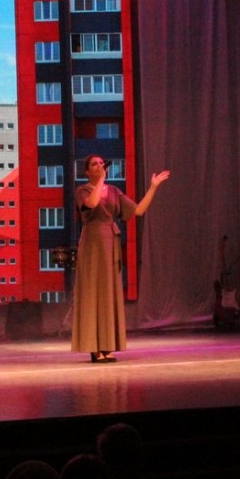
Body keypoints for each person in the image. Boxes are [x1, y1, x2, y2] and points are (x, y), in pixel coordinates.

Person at [71, 155, 169, 363]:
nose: (99, 165)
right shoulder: (83, 190)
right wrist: (101, 180)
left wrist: (153, 187)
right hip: (92, 244)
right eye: (94, 164)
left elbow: (138, 210)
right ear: (87, 171)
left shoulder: (114, 191)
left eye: (101, 163)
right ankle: (93, 347)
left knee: (108, 294)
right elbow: (92, 203)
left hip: (110, 243)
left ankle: (107, 345)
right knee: (92, 294)